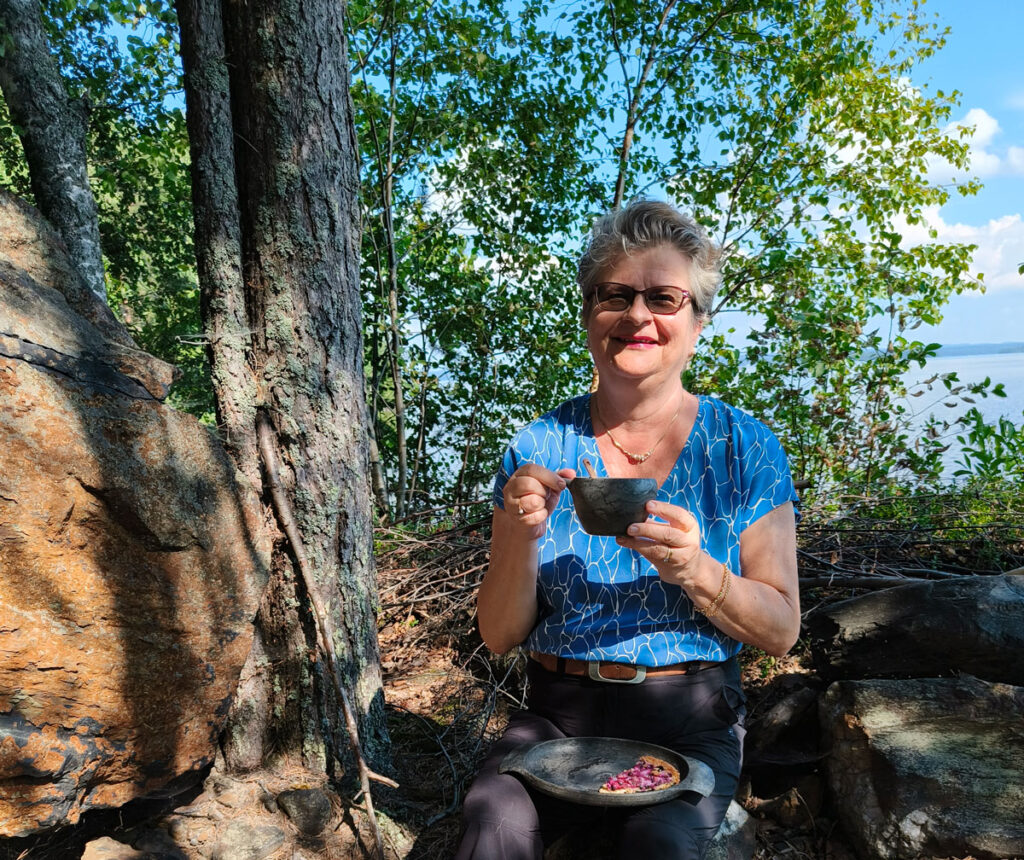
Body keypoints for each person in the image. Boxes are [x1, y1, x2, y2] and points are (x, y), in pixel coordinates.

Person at [455, 199, 800, 860]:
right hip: (558, 717)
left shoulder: (744, 449)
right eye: (616, 295)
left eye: (664, 298)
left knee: (659, 846)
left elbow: (781, 630)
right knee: (492, 822)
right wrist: (520, 532)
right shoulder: (539, 446)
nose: (638, 315)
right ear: (589, 316)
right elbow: (499, 634)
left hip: (692, 722)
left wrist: (698, 571)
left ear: (698, 322)